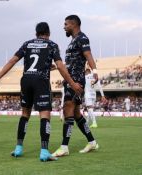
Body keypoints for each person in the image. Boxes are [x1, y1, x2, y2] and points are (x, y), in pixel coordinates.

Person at [0, 22, 82, 161]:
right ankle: (44, 151)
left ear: (36, 33)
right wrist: (73, 83)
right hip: (41, 81)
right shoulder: (52, 45)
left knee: (25, 114)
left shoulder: (27, 44)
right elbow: (60, 66)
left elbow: (12, 60)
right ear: (48, 33)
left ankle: (18, 148)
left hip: (26, 80)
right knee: (44, 115)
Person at [52, 15, 99, 157]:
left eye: (66, 24)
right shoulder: (73, 41)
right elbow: (72, 62)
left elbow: (88, 54)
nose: (64, 27)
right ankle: (92, 142)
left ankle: (64, 146)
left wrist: (95, 71)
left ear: (74, 24)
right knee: (77, 113)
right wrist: (56, 67)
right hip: (70, 79)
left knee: (68, 108)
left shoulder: (82, 38)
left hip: (76, 80)